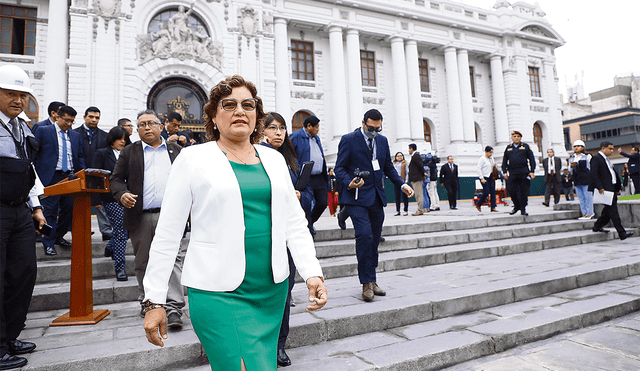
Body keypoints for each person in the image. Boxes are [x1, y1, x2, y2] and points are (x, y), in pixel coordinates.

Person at [141, 75, 327, 371]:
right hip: (217, 291)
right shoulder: (192, 159)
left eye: (248, 105)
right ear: (214, 116)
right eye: (229, 105)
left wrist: (312, 273)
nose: (240, 111)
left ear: (257, 117)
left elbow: (293, 222)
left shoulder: (274, 159)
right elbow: (167, 234)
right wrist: (154, 300)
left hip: (270, 290)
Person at [110, 109, 187, 326]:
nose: (146, 127)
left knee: (172, 260)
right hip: (140, 217)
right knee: (143, 261)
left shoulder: (177, 151)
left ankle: (173, 309)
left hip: (171, 216)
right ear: (137, 129)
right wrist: (122, 194)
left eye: (151, 123)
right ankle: (150, 303)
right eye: (141, 124)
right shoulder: (129, 152)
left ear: (161, 126)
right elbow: (115, 180)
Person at [334, 109, 414, 302]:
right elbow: (339, 168)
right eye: (371, 128)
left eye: (378, 128)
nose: (374, 132)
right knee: (364, 236)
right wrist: (349, 181)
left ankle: (373, 279)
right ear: (363, 123)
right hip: (356, 196)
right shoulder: (348, 139)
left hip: (376, 197)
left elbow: (387, 166)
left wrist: (402, 184)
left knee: (375, 239)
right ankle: (366, 283)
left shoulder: (383, 141)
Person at [0, 64, 46, 370]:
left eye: (22, 95)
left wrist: (36, 207)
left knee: (23, 272)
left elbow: (28, 169)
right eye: (10, 93)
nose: (17, 100)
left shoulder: (21, 126)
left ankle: (10, 335)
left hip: (19, 210)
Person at [261, 111, 314, 368]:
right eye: (272, 128)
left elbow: (310, 192)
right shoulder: (253, 157)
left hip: (288, 236)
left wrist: (301, 197)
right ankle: (261, 342)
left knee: (285, 291)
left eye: (282, 128)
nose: (278, 133)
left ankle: (279, 345)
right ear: (260, 131)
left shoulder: (291, 159)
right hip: (261, 236)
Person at [34, 105, 86, 256]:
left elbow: (80, 156)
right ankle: (48, 242)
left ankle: (58, 236)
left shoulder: (75, 136)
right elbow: (35, 153)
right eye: (67, 120)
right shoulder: (44, 131)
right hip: (50, 177)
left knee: (69, 209)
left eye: (72, 121)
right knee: (48, 211)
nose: (69, 124)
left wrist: (81, 174)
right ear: (57, 117)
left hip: (69, 177)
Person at [92, 126, 131, 281]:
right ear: (111, 139)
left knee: (125, 230)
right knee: (121, 231)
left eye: (124, 138)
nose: (122, 141)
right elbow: (94, 177)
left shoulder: (128, 153)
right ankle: (120, 268)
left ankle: (110, 247)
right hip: (110, 198)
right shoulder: (102, 153)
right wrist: (96, 200)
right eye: (119, 138)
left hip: (129, 196)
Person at [75, 106, 112, 241]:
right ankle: (82, 230)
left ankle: (106, 231)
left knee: (99, 203)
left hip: (98, 175)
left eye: (97, 117)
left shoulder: (104, 136)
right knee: (81, 202)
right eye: (91, 117)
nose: (94, 120)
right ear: (84, 117)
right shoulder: (75, 133)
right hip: (79, 173)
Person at [290, 115, 327, 235]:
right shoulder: (295, 137)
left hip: (319, 177)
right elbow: (289, 154)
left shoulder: (316, 138)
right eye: (316, 127)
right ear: (309, 126)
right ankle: (308, 227)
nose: (318, 129)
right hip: (306, 177)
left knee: (322, 203)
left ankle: (309, 223)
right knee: (306, 205)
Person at [589, 141, 634, 240]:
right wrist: (600, 187)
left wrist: (617, 187)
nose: (612, 151)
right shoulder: (596, 158)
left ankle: (597, 226)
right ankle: (621, 233)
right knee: (613, 211)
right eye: (610, 149)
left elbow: (612, 174)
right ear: (603, 148)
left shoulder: (606, 159)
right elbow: (594, 174)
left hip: (611, 188)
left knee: (608, 211)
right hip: (605, 189)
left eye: (612, 149)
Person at [502, 130, 535, 216]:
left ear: (520, 138)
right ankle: (516, 206)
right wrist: (504, 172)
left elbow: (532, 159)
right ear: (512, 138)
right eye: (515, 136)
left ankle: (523, 209)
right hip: (512, 172)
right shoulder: (508, 147)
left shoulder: (526, 146)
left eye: (518, 136)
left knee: (523, 191)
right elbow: (504, 161)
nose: (516, 138)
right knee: (511, 190)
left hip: (523, 172)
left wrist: (532, 171)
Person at [569, 140, 593, 219]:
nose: (576, 148)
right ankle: (584, 213)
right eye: (575, 146)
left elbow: (590, 167)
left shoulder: (587, 156)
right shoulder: (572, 157)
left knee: (588, 196)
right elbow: (569, 169)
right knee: (581, 197)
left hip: (586, 178)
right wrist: (571, 166)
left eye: (578, 146)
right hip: (576, 178)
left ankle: (590, 213)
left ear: (582, 147)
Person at [475, 146, 498, 212]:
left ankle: (493, 207)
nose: (491, 154)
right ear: (486, 152)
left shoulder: (491, 159)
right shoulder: (482, 159)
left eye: (492, 152)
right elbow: (478, 168)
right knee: (486, 191)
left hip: (491, 176)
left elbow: (493, 166)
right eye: (490, 152)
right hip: (484, 177)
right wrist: (481, 178)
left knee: (493, 192)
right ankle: (479, 204)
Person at [408, 144, 426, 216]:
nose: (408, 150)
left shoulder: (416, 156)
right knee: (418, 194)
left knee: (419, 194)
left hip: (417, 178)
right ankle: (420, 209)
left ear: (412, 148)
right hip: (415, 178)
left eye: (409, 149)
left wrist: (423, 174)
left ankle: (420, 210)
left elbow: (420, 166)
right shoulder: (414, 156)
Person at [393, 152, 409, 216]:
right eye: (398, 156)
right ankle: (398, 211)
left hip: (403, 181)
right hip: (396, 182)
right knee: (397, 197)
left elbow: (407, 172)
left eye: (401, 156)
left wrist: (406, 180)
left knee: (404, 196)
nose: (399, 157)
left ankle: (405, 210)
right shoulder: (394, 163)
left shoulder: (405, 163)